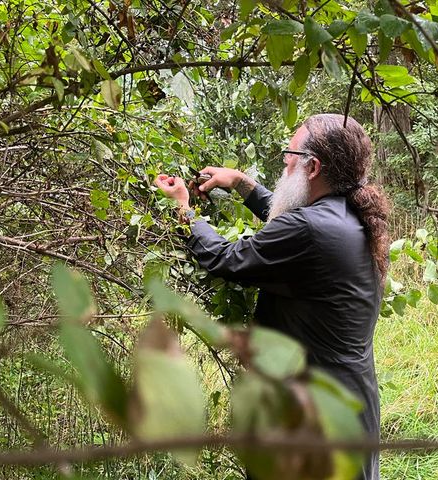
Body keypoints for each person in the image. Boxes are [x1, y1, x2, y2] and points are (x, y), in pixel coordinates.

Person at [155, 114, 390, 480]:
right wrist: (240, 183)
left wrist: (184, 209)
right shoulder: (350, 216)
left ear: (312, 167)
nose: (284, 161)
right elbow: (290, 224)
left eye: (289, 153)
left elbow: (225, 260)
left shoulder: (309, 229)